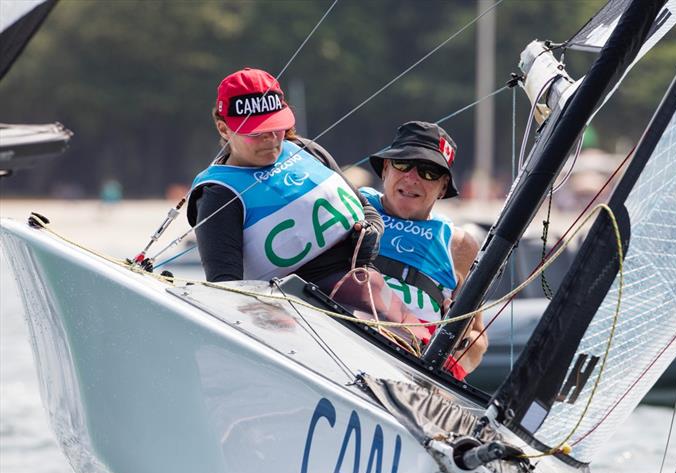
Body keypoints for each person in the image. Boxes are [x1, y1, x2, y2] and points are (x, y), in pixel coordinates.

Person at [187, 68, 383, 292]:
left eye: (275, 127)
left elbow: (366, 208)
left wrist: (372, 232)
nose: (270, 139)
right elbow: (226, 289)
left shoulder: (306, 149)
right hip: (299, 316)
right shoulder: (219, 194)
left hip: (367, 289)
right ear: (224, 128)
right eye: (256, 131)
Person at [361, 121, 487, 378]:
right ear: (386, 168)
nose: (412, 178)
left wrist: (445, 369)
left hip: (409, 369)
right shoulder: (352, 203)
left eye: (429, 172)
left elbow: (477, 338)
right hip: (340, 337)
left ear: (443, 187)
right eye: (403, 163)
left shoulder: (459, 245)